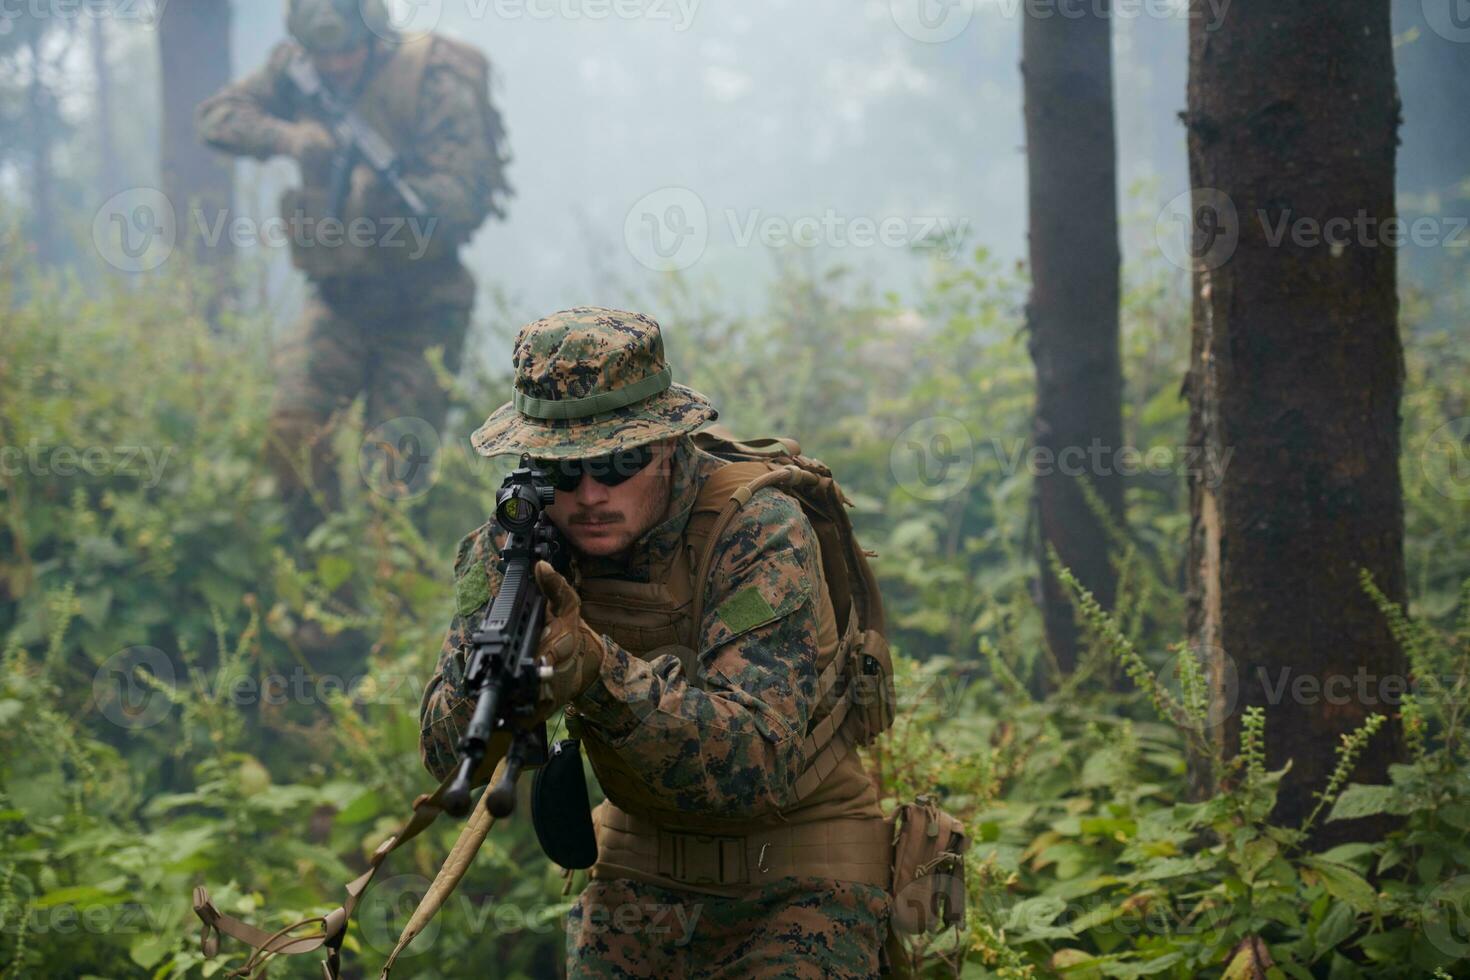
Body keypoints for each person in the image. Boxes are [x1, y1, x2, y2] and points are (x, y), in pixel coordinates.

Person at [419, 307, 893, 978]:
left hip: (799, 866)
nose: (587, 494)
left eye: (616, 463)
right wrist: (490, 680)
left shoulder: (757, 530)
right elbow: (442, 754)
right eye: (561, 470)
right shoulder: (505, 549)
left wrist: (597, 672)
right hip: (640, 866)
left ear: (667, 445)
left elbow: (753, 762)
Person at [197, 0, 510, 538]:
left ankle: (395, 598)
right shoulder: (292, 69)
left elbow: (467, 197)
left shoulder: (434, 76)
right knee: (293, 436)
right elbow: (218, 118)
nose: (337, 65)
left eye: (348, 51)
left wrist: (386, 194)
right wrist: (290, 138)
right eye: (324, 55)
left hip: (421, 308)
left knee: (394, 476)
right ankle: (326, 592)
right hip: (339, 301)